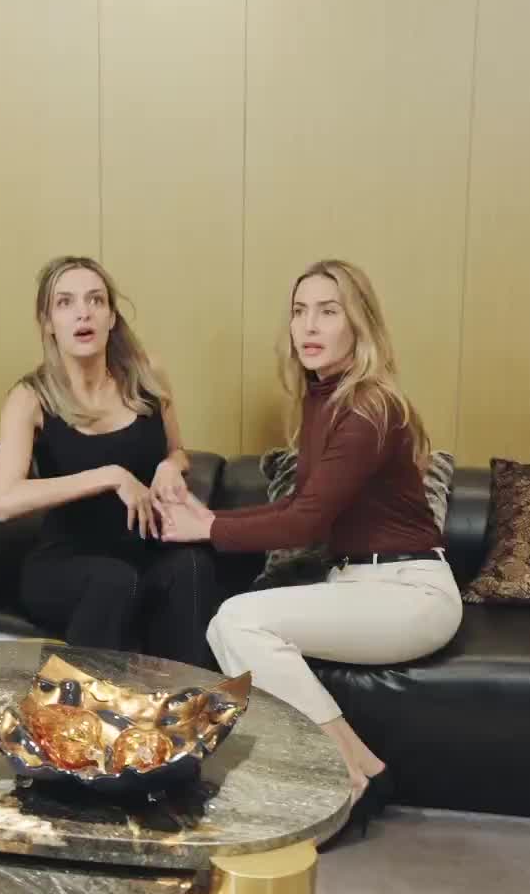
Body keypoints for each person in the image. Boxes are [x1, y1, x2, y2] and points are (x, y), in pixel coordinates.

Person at [158, 258, 463, 827]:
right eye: (300, 312)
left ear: (359, 324)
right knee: (232, 623)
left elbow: (305, 523)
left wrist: (210, 528)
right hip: (363, 583)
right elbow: (301, 506)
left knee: (238, 620)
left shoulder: (369, 407)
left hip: (410, 592)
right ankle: (362, 769)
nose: (309, 326)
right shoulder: (324, 399)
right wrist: (213, 519)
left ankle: (345, 776)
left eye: (328, 311)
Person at [0, 255, 216, 667]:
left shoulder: (147, 376)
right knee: (113, 580)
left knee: (193, 567)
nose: (83, 313)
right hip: (66, 564)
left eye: (95, 300)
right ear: (47, 322)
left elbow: (177, 451)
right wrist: (110, 476)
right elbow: (4, 500)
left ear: (111, 317)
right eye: (66, 303)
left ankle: (188, 700)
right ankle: (79, 705)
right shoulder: (30, 397)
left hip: (145, 552)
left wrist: (170, 467)